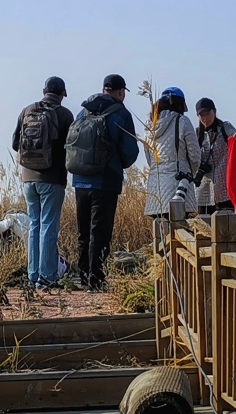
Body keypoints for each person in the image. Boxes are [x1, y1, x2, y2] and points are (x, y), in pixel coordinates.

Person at [66, 73, 139, 289]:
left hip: (80, 180)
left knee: (84, 232)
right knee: (100, 232)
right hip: (106, 181)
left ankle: (83, 276)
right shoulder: (121, 114)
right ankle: (96, 279)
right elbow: (129, 151)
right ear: (120, 91)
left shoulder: (83, 111)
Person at [11, 76, 72, 289]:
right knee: (48, 226)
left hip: (28, 179)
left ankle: (33, 274)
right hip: (52, 179)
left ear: (44, 90)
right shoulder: (64, 114)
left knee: (34, 226)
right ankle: (47, 276)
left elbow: (15, 143)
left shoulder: (27, 110)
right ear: (62, 94)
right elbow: (70, 147)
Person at [143, 87, 201, 220]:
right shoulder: (182, 121)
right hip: (178, 186)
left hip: (154, 189)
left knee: (159, 234)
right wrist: (189, 172)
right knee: (180, 234)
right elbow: (195, 156)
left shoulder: (149, 126)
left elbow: (149, 158)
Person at [194, 98, 236, 213]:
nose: (205, 118)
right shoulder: (196, 134)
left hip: (224, 189)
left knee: (226, 224)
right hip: (204, 190)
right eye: (202, 115)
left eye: (208, 113)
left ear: (214, 112)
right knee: (204, 226)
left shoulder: (224, 127)